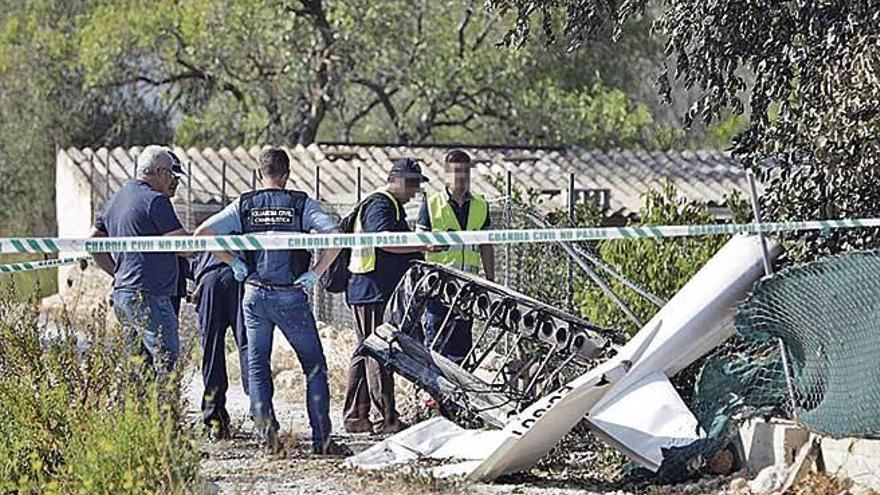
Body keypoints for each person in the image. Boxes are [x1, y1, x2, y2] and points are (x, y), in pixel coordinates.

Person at [194, 147, 348, 456]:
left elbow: (203, 233)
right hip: (290, 295)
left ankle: (269, 439)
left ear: (258, 174)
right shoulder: (300, 203)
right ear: (287, 175)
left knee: (257, 365)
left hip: (253, 295)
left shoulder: (245, 204)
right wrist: (317, 272)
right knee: (314, 366)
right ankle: (322, 440)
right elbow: (336, 235)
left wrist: (233, 262)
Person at [343, 157, 434, 435]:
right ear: (393, 179)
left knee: (366, 350)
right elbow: (383, 239)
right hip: (371, 288)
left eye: (417, 184)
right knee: (379, 352)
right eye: (411, 183)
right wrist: (422, 245)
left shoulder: (391, 206)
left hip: (371, 288)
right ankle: (386, 419)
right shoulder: (380, 204)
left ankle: (355, 418)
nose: (414, 190)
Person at [90, 145, 189, 373]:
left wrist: (117, 273)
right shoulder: (156, 201)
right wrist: (207, 239)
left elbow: (93, 242)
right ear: (162, 172)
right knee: (166, 358)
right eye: (173, 176)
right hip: (150, 295)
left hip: (123, 294)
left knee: (137, 365)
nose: (174, 182)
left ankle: (136, 408)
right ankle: (165, 408)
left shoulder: (116, 199)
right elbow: (186, 247)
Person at [416, 149, 495, 364]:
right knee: (436, 342)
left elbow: (486, 245)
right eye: (455, 172)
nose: (460, 177)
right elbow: (418, 241)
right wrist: (430, 246)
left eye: (465, 172)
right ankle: (434, 395)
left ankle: (458, 393)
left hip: (468, 287)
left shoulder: (480, 205)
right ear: (446, 174)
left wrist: (490, 282)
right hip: (439, 287)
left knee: (462, 343)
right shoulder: (431, 204)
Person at [190, 251, 249, 440]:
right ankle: (263, 417)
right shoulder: (244, 219)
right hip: (242, 276)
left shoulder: (208, 224)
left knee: (212, 350)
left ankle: (214, 421)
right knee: (249, 348)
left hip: (211, 276)